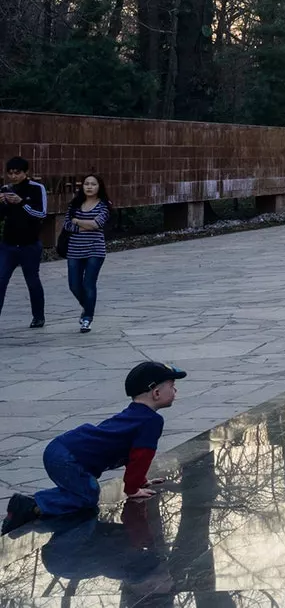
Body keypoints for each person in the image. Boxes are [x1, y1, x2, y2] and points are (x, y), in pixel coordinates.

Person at [3, 361, 186, 533]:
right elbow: (140, 456)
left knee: (80, 490)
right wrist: (132, 489)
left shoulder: (135, 414)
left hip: (62, 449)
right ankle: (31, 506)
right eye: (171, 385)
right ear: (156, 393)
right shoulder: (151, 421)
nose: (175, 389)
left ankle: (36, 503)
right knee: (87, 497)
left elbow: (130, 452)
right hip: (69, 458)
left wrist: (139, 480)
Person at [0, 155, 48, 328]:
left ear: (26, 172)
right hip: (8, 244)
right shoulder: (6, 188)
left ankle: (38, 316)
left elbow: (41, 213)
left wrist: (21, 203)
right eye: (10, 173)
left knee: (32, 281)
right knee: (1, 280)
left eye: (17, 173)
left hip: (29, 244)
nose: (14, 176)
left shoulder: (36, 188)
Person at [64, 174, 112, 333]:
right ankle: (88, 307)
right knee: (74, 285)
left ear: (99, 187)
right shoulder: (74, 204)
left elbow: (97, 224)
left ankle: (87, 319)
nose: (89, 187)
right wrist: (86, 225)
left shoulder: (104, 205)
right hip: (74, 249)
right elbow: (67, 225)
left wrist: (77, 221)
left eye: (93, 184)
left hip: (95, 249)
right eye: (86, 184)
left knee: (88, 284)